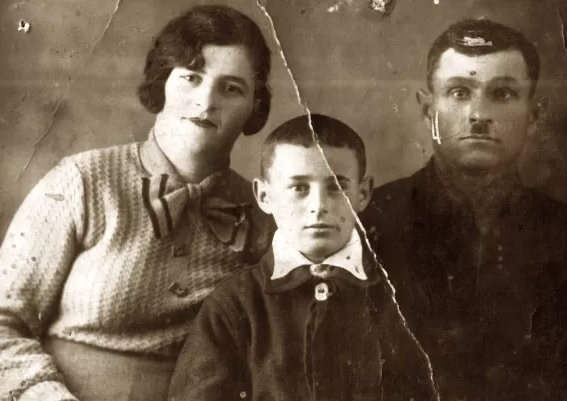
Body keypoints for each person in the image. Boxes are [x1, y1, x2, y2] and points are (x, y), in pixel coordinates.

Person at [0, 5, 275, 401]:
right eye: (191, 78)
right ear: (162, 82)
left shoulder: (263, 214)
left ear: (253, 108)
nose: (206, 101)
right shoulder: (82, 181)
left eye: (231, 88)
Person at [361, 19, 567, 400]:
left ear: (535, 114)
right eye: (459, 92)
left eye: (503, 93)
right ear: (427, 109)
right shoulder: (366, 223)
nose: (478, 114)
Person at [168, 114, 438, 401]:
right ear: (264, 196)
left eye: (337, 187)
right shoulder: (235, 305)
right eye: (299, 188)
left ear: (363, 193)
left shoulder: (402, 297)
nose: (319, 206)